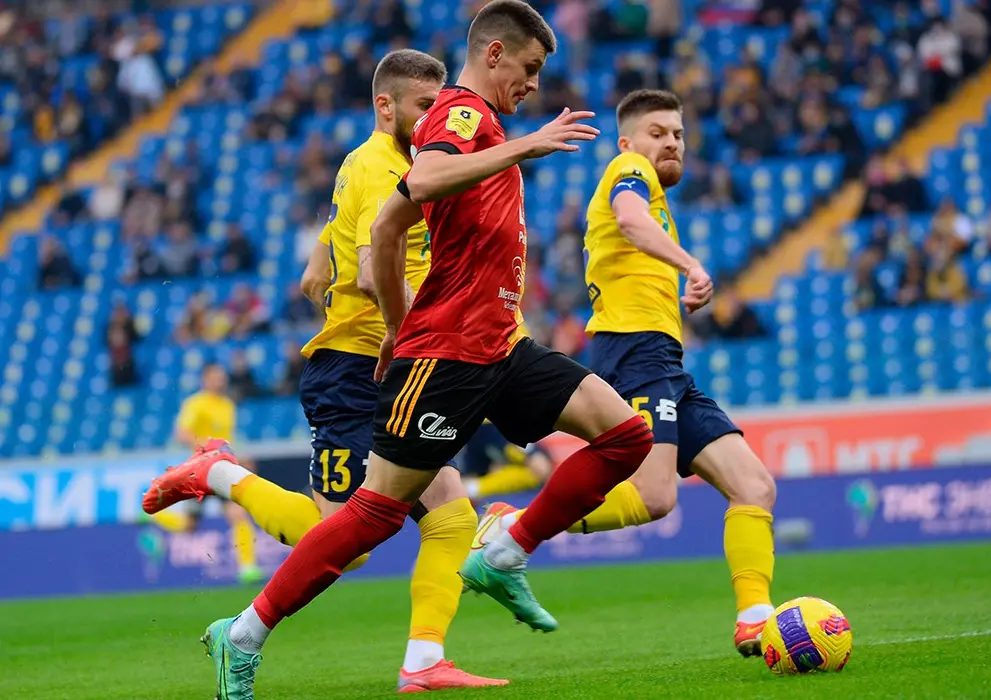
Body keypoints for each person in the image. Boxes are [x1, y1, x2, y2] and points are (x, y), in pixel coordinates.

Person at [198, 3, 667, 696]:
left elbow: (387, 227)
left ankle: (504, 551)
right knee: (372, 517)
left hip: (501, 344)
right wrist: (525, 146)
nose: (535, 83)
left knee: (626, 436)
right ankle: (242, 634)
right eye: (530, 67)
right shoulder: (465, 114)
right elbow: (419, 184)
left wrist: (393, 322)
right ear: (495, 53)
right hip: (449, 355)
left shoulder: (479, 124)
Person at [141, 49, 506, 693]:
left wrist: (320, 251)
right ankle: (217, 473)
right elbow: (371, 269)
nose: (436, 116)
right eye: (424, 105)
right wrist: (420, 328)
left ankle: (424, 661)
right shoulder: (379, 165)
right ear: (385, 106)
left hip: (401, 365)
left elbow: (344, 229)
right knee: (343, 539)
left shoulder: (403, 162)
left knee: (450, 514)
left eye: (441, 103)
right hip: (359, 367)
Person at [473, 90, 777, 656]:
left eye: (678, 134)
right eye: (657, 132)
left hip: (664, 362)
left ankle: (756, 619)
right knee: (654, 495)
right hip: (633, 352)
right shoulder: (629, 171)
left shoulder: (657, 197)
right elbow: (631, 220)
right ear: (627, 142)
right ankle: (514, 526)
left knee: (754, 486)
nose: (671, 143)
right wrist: (690, 265)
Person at [146, 363, 263, 584]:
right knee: (189, 525)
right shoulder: (195, 403)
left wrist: (239, 456)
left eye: (222, 377)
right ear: (205, 379)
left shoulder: (228, 405)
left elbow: (227, 439)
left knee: (238, 514)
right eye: (215, 377)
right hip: (199, 470)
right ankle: (154, 516)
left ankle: (247, 567)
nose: (220, 381)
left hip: (223, 468)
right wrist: (207, 448)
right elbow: (181, 433)